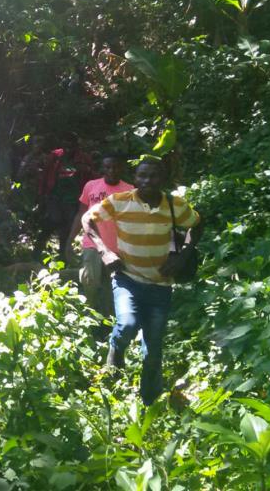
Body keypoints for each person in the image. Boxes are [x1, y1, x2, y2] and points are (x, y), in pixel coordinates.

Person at [82, 157, 202, 405]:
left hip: (161, 285)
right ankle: (115, 357)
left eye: (153, 176)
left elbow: (197, 224)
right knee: (127, 324)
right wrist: (104, 251)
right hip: (128, 279)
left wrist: (184, 254)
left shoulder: (174, 205)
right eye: (142, 176)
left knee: (153, 347)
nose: (147, 181)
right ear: (135, 178)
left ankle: (150, 400)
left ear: (163, 179)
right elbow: (88, 220)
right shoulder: (120, 201)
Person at [68, 154, 134, 314]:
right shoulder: (91, 186)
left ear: (121, 168)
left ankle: (108, 324)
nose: (111, 171)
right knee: (90, 283)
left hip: (118, 248)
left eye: (115, 167)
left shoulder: (130, 190)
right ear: (102, 169)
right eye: (108, 167)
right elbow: (81, 215)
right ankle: (89, 320)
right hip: (92, 244)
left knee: (113, 288)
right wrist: (69, 240)